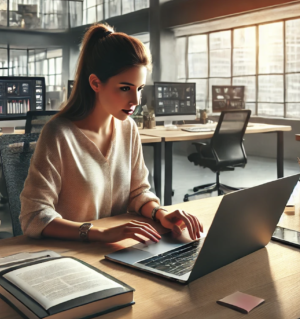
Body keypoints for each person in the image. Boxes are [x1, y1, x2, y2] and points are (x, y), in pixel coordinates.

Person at [19, 23, 203, 243]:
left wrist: (160, 213)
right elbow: (34, 216)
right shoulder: (58, 134)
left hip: (120, 249)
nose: (136, 101)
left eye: (140, 89)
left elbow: (137, 193)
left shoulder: (128, 128)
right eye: (125, 88)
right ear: (96, 83)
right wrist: (100, 233)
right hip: (71, 255)